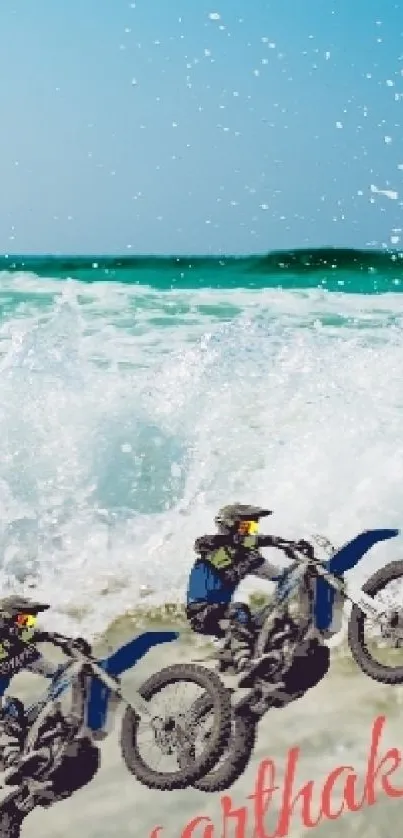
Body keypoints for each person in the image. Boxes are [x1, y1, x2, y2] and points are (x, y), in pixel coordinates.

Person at [186, 504, 311, 676]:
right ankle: (244, 663)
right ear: (230, 525)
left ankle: (270, 660)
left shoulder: (247, 554)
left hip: (222, 610)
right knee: (239, 610)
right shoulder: (211, 548)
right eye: (247, 526)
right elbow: (219, 563)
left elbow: (280, 574)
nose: (250, 531)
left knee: (269, 619)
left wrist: (292, 547)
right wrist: (250, 554)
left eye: (253, 526)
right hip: (201, 613)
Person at [0, 595, 88, 774]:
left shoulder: (24, 648)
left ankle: (41, 748)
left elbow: (58, 669)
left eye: (30, 620)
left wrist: (72, 644)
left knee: (60, 682)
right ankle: (12, 758)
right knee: (10, 708)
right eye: (24, 619)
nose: (28, 624)